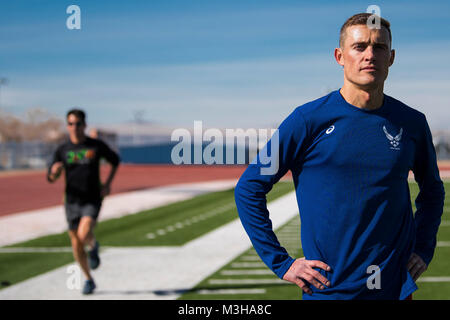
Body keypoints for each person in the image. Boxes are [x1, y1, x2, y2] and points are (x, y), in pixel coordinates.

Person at [234, 13, 445, 300]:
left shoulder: (411, 122)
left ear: (391, 57)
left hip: (393, 288)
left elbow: (432, 191)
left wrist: (423, 248)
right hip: (329, 290)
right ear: (340, 56)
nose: (370, 55)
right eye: (359, 47)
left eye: (379, 47)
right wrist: (282, 263)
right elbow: (249, 187)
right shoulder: (307, 120)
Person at [47, 109, 120, 295]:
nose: (74, 128)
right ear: (67, 126)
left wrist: (108, 184)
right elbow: (51, 176)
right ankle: (88, 278)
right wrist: (54, 173)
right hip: (71, 200)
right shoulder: (62, 150)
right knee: (76, 243)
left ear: (84, 125)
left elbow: (115, 161)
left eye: (78, 124)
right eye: (71, 124)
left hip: (92, 198)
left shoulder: (95, 146)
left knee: (83, 232)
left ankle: (93, 245)